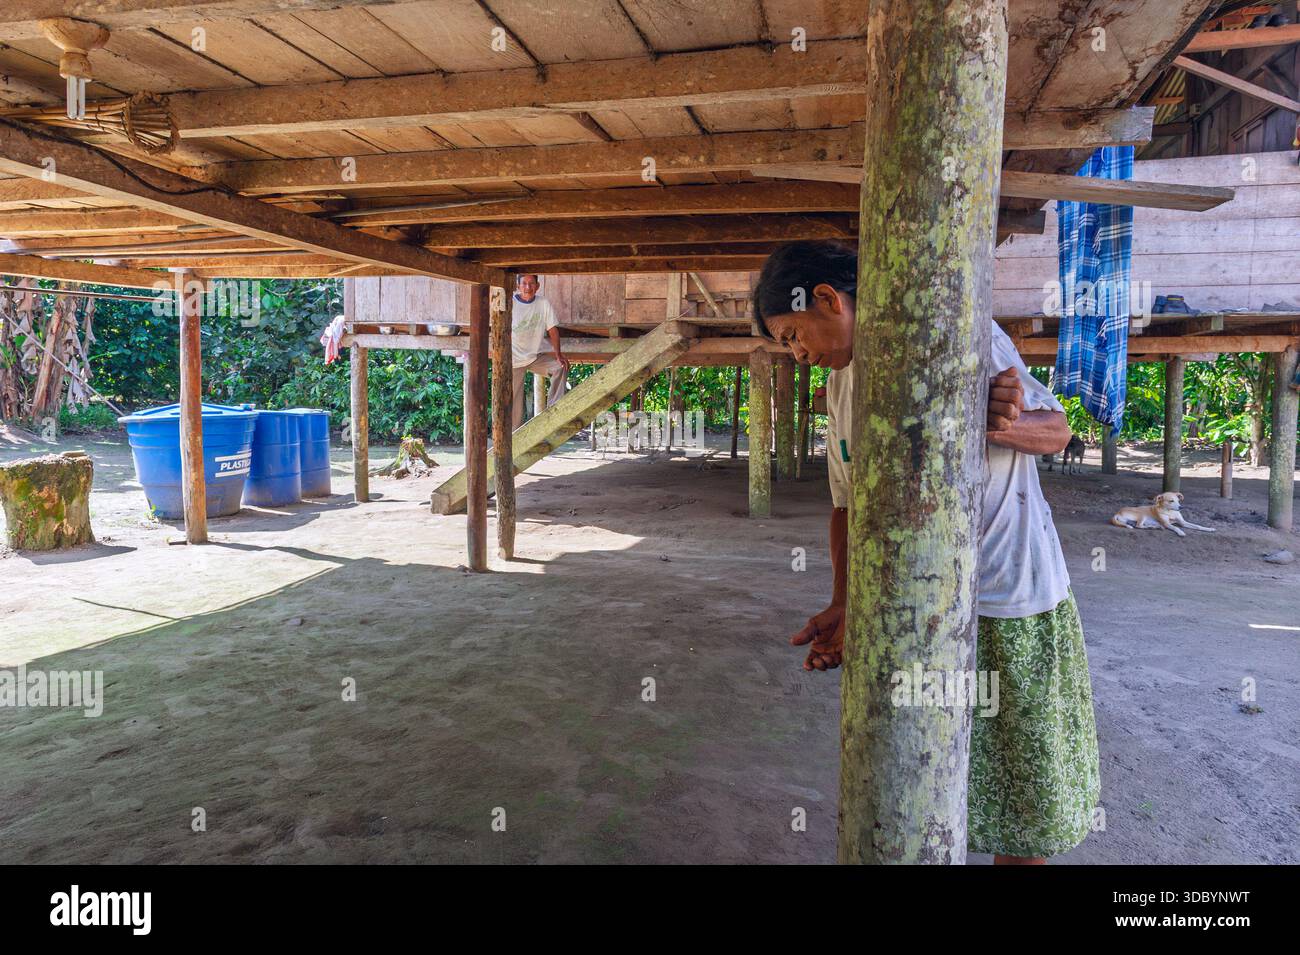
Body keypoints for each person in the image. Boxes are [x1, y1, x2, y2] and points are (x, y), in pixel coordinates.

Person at [753, 239, 1100, 865]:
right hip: (913, 615)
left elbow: (1056, 430)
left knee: (1024, 799)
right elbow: (845, 504)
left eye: (791, 335)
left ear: (828, 300)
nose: (797, 354)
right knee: (920, 776)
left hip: (1006, 599)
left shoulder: (958, 333)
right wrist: (843, 600)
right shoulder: (841, 389)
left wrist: (998, 423)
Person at [510, 274, 569, 429]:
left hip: (535, 357)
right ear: (518, 286)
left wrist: (558, 354)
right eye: (524, 283)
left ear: (537, 286)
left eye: (531, 284)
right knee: (514, 405)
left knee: (560, 367)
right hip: (513, 360)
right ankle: (513, 438)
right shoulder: (511, 303)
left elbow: (553, 330)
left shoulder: (543, 303)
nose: (527, 287)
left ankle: (554, 410)